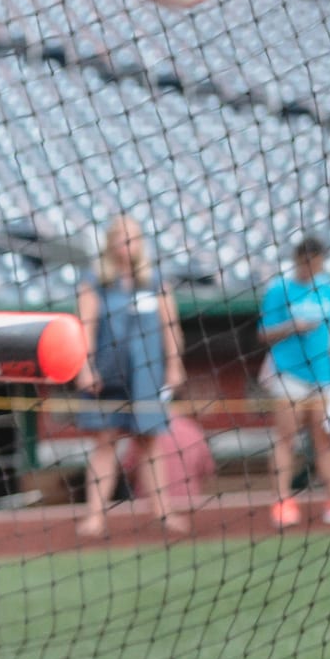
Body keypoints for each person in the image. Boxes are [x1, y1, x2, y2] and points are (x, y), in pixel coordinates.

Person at [73, 216, 186, 536]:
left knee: (150, 444)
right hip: (107, 374)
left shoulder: (154, 281)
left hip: (148, 376)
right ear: (110, 243)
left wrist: (175, 365)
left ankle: (164, 513)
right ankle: (95, 517)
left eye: (132, 238)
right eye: (121, 238)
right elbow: (86, 325)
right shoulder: (95, 280)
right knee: (105, 443)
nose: (127, 244)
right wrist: (86, 365)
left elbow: (170, 327)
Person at [258, 237, 330, 527]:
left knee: (325, 440)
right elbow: (263, 334)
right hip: (289, 375)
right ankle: (282, 501)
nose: (312, 267)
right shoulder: (279, 290)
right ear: (298, 260)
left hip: (323, 377)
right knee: (286, 439)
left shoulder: (328, 289)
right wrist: (292, 327)